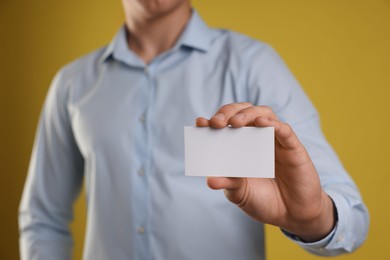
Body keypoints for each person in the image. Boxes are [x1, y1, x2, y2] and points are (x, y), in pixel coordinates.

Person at [18, 0, 369, 259]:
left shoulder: (253, 64)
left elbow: (351, 214)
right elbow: (43, 218)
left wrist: (312, 218)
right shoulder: (72, 84)